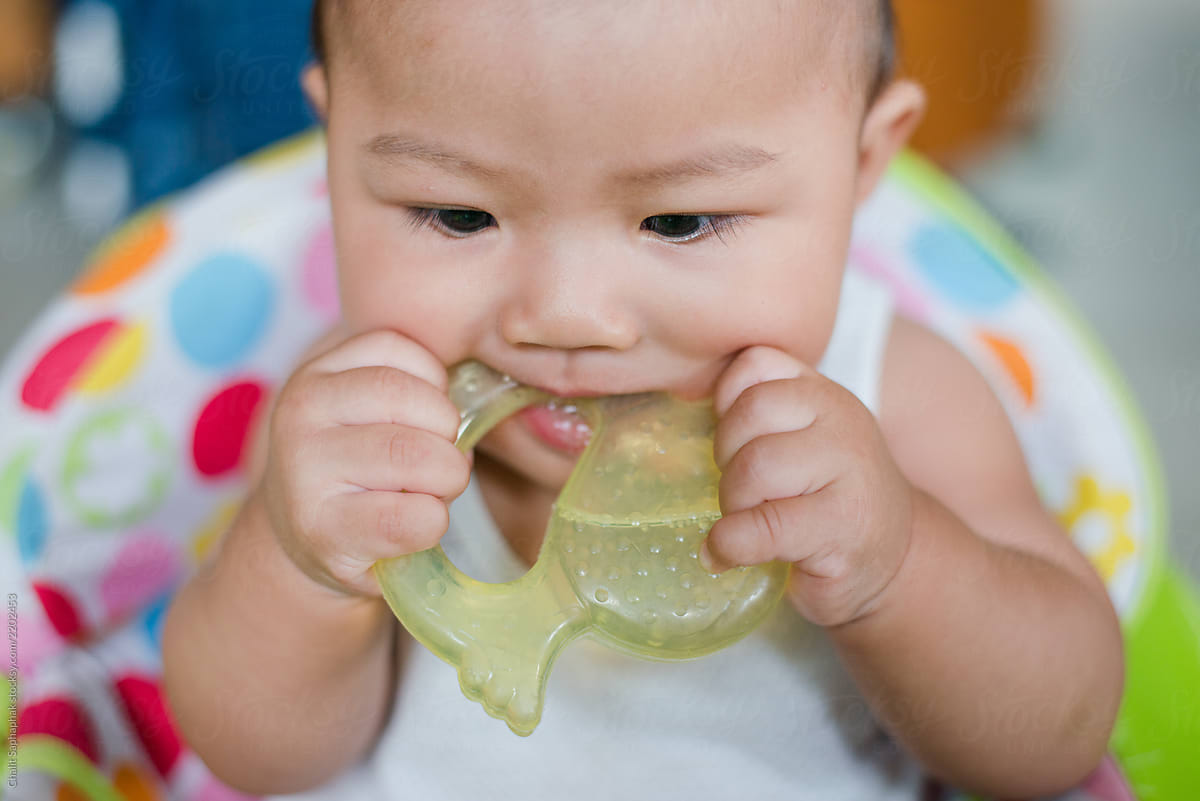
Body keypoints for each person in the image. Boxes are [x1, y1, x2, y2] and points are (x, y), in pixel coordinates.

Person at [161, 1, 1124, 798]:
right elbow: (259, 759)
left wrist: (899, 564)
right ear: (336, 142)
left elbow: (1056, 737)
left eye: (680, 220)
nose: (568, 317)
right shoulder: (356, 420)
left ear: (864, 163)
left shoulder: (897, 396)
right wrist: (300, 567)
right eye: (459, 214)